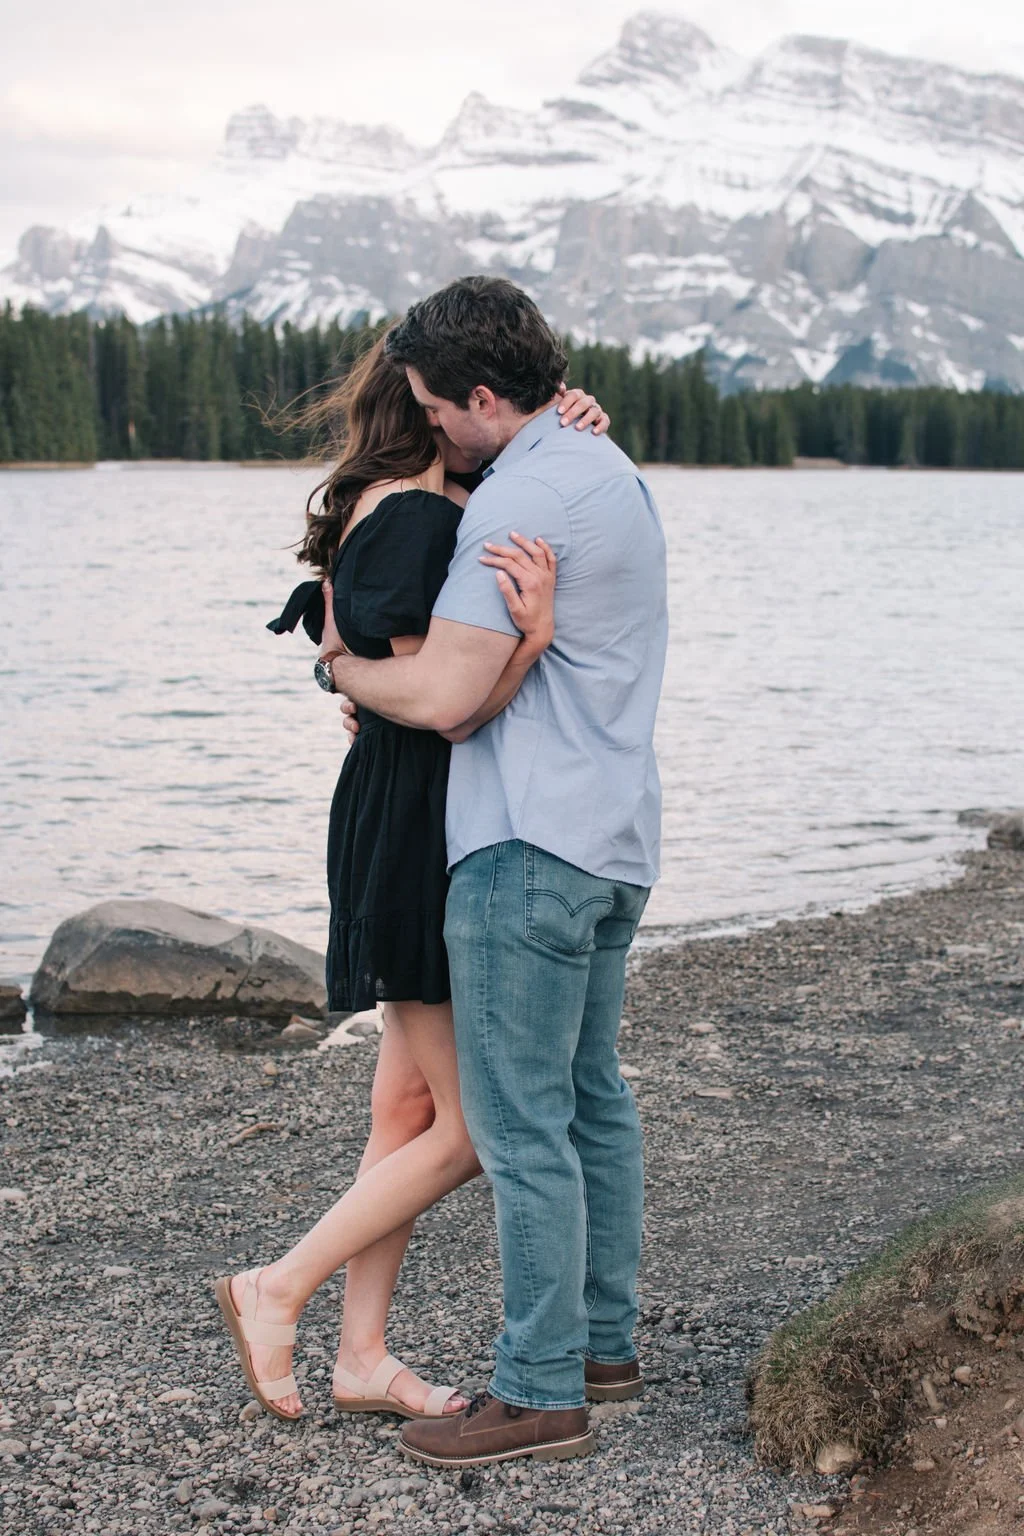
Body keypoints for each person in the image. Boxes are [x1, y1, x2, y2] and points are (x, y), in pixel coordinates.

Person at [215, 335, 609, 1424]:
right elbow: (443, 699)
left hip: (394, 804)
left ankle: (362, 1356)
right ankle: (277, 1285)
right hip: (413, 821)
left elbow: (369, 664)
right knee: (475, 1131)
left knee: (404, 1103)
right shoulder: (422, 512)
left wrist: (562, 417)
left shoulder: (409, 499)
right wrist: (529, 643)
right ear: (433, 407)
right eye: (462, 406)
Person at [324, 276, 668, 1469]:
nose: (421, 417)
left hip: (526, 845)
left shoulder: (515, 499)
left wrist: (338, 668)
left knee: (521, 1124)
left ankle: (535, 1391)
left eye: (431, 400)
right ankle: (602, 1350)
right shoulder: (603, 469)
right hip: (617, 835)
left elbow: (445, 699)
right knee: (588, 1099)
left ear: (480, 396)